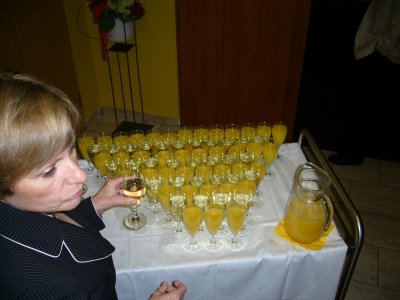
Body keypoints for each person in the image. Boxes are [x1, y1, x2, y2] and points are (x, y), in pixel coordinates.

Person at [0, 72, 187, 300]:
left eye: (70, 148)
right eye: (49, 171)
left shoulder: (18, 211)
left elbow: (49, 223)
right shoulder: (49, 289)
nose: (80, 174)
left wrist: (97, 204)